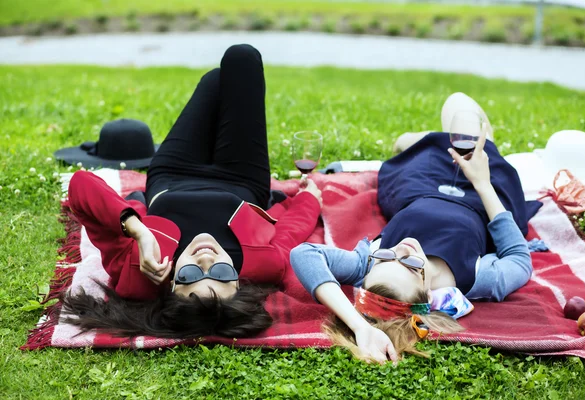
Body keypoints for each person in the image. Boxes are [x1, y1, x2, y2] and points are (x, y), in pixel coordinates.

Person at [62, 44, 322, 339]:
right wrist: (309, 198)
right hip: (243, 177)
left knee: (216, 80)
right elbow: (291, 231)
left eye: (190, 276)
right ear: (238, 282)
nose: (206, 261)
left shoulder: (139, 274)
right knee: (242, 58)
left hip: (173, 172)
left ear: (171, 286)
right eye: (222, 275)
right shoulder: (263, 265)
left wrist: (139, 231)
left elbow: (81, 184)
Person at [290, 92, 541, 363]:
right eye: (409, 263)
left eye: (387, 256)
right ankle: (444, 140)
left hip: (419, 184)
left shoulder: (369, 266)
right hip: (483, 195)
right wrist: (481, 181)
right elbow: (519, 258)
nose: (400, 248)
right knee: (461, 108)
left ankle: (423, 140)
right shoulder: (478, 278)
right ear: (428, 293)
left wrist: (360, 326)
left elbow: (303, 255)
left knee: (435, 131)